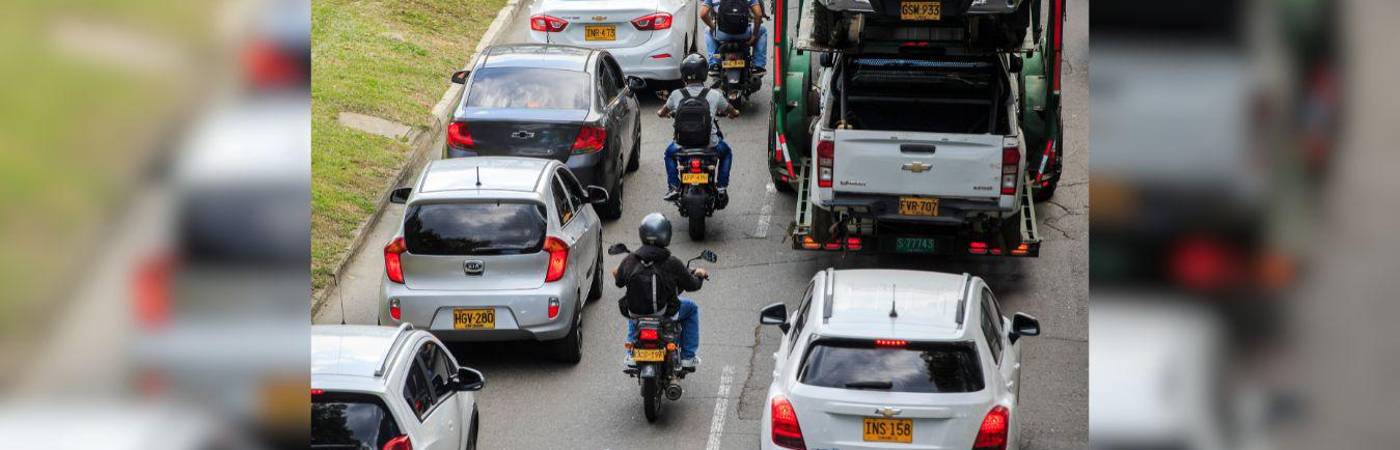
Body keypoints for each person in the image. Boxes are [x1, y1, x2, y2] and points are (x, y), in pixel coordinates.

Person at [615, 213, 709, 369]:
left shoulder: (630, 260)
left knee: (634, 308)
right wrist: (699, 276)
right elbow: (692, 285)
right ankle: (687, 357)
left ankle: (631, 353)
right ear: (666, 234)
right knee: (691, 308)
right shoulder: (671, 263)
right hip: (665, 313)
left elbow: (619, 282)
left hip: (637, 313)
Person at [658, 54, 739, 202]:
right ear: (704, 73)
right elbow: (731, 110)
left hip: (682, 145)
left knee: (669, 154)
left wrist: (664, 114)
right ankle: (721, 188)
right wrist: (734, 113)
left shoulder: (676, 94)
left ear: (683, 75)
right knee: (726, 153)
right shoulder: (714, 94)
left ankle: (674, 187)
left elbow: (661, 112)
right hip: (710, 145)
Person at [700, 0, 768, 76]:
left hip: (722, 34)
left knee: (707, 31)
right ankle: (758, 66)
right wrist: (754, 36)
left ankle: (714, 64)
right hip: (744, 33)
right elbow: (758, 14)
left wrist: (714, 28)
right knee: (762, 31)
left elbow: (703, 14)